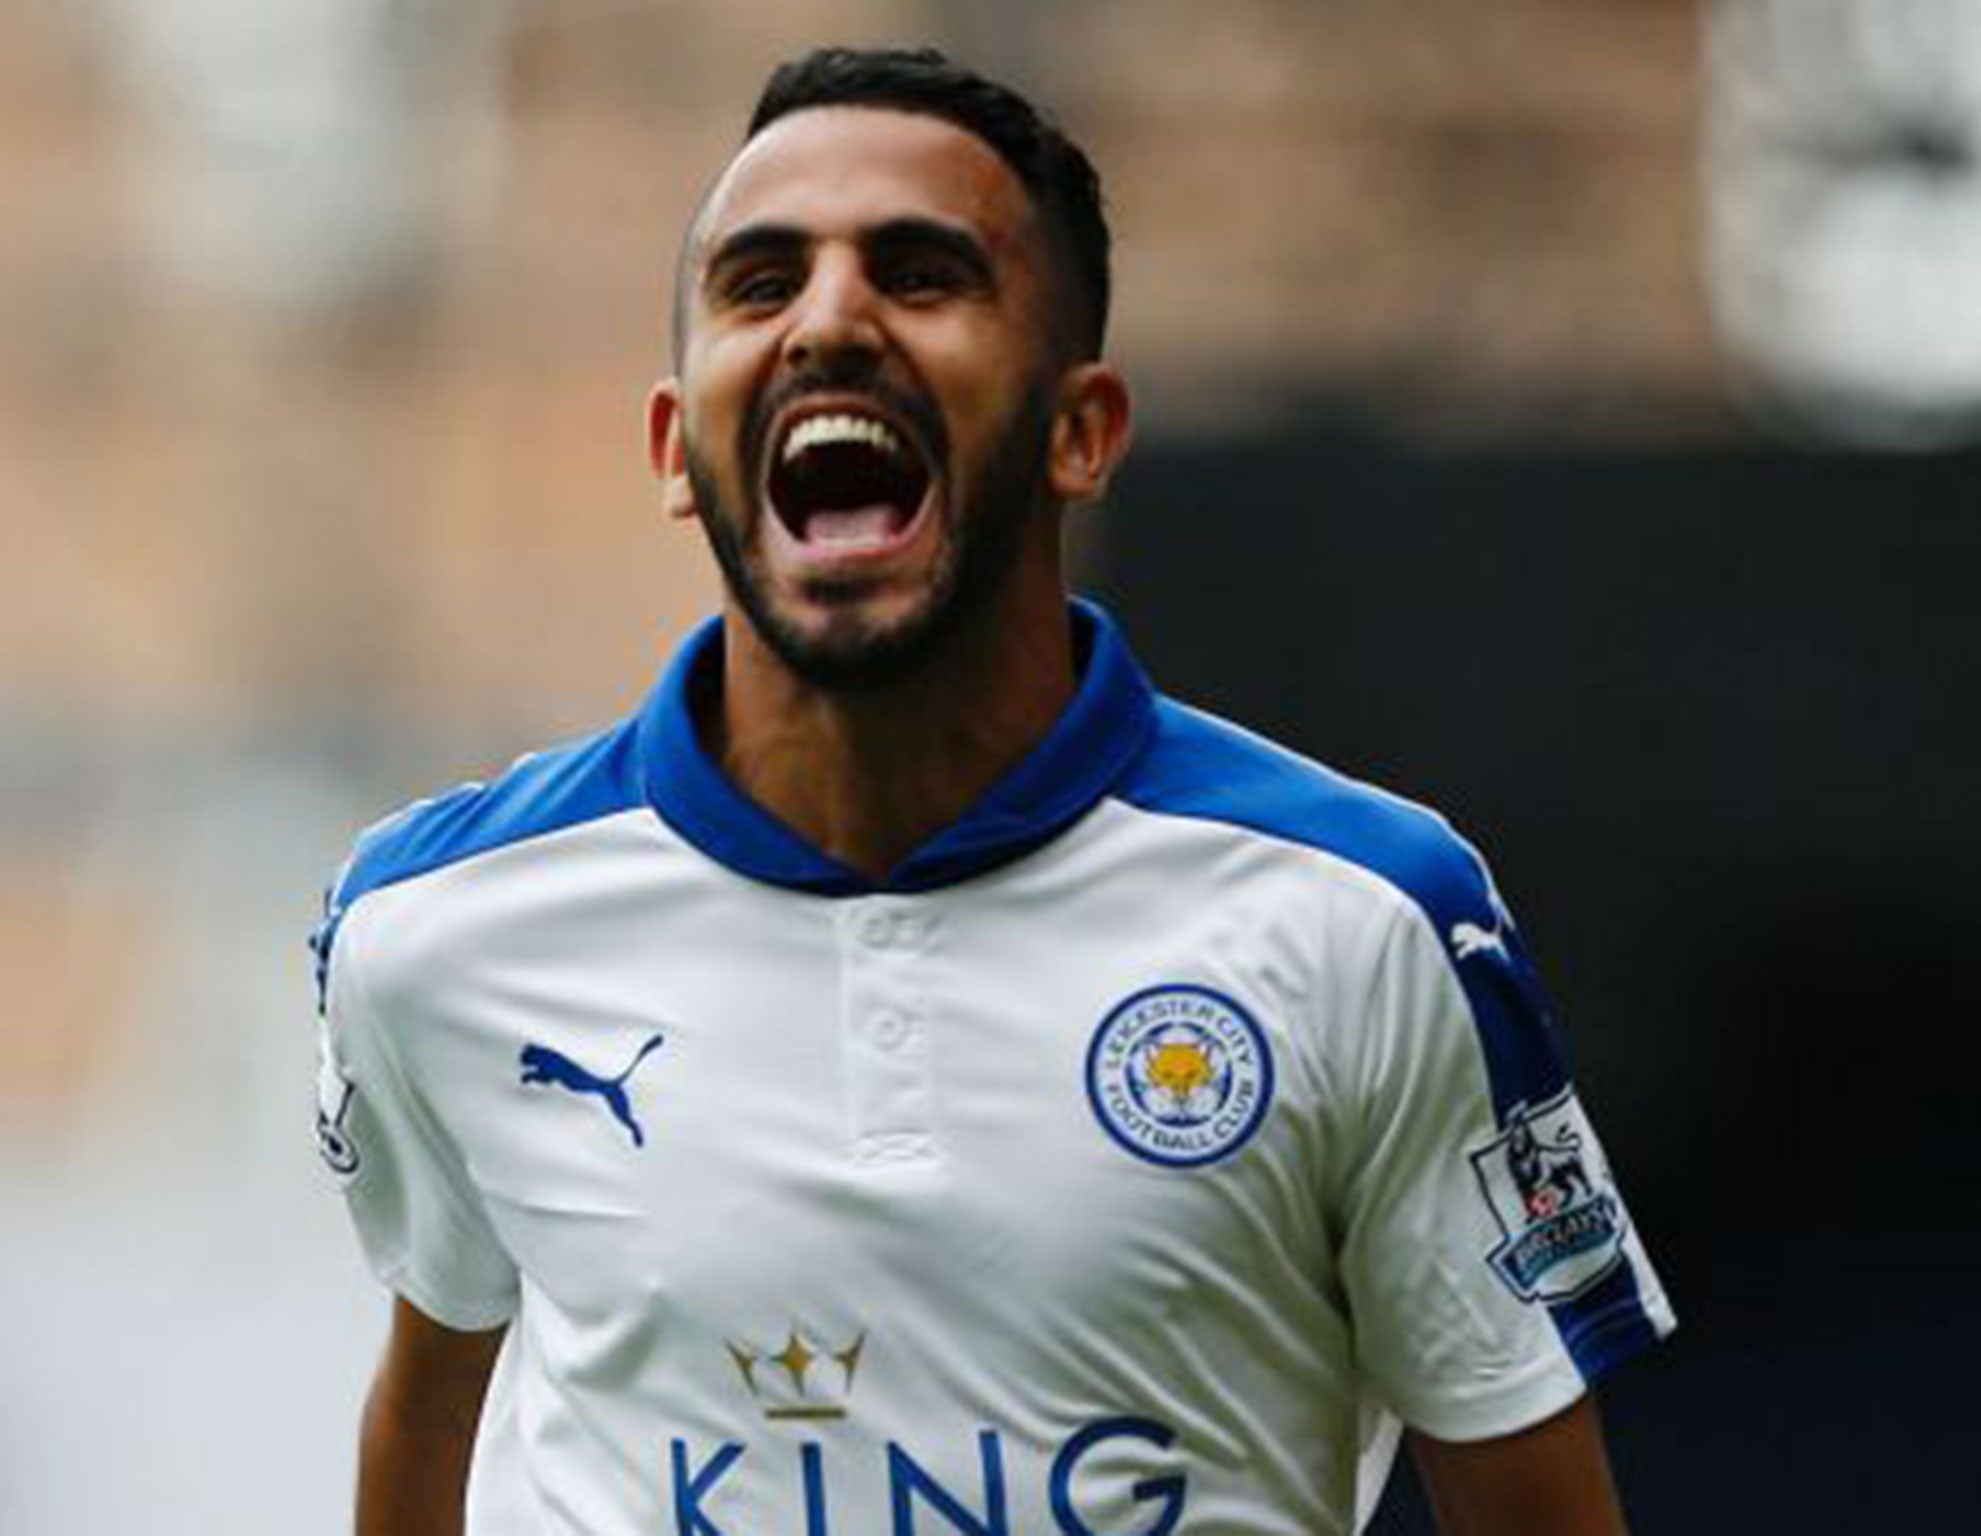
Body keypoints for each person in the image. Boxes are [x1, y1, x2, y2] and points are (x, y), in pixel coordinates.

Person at [311, 45, 1674, 1536]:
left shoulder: (1371, 918)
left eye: (920, 274)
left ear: (1081, 430)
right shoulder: (433, 928)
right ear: (675, 451)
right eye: (761, 284)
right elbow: (425, 1409)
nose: (829, 320)